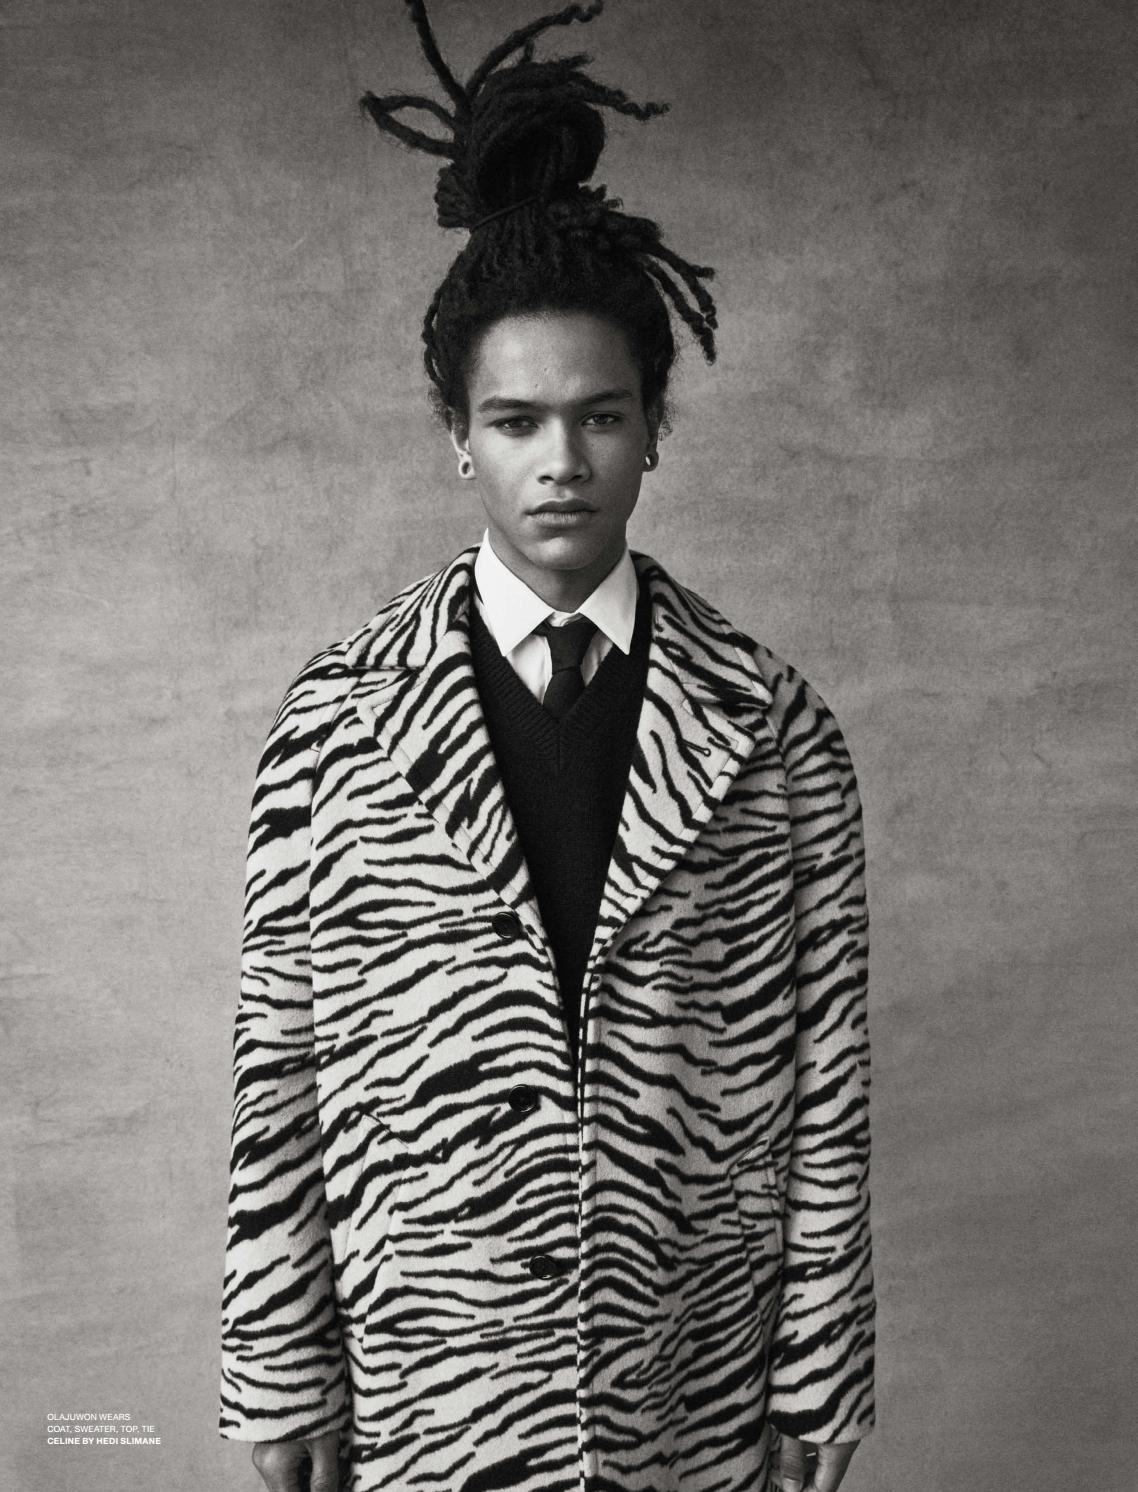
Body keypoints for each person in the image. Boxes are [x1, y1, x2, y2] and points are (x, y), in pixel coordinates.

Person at [218, 4, 876, 1490]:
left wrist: (820, 1369)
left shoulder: (775, 731)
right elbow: (278, 1066)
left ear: (654, 427)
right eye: (516, 421)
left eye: (600, 417)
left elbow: (826, 1076)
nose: (560, 462)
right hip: (428, 1389)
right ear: (458, 432)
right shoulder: (331, 724)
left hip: (689, 1379)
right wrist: (275, 1361)